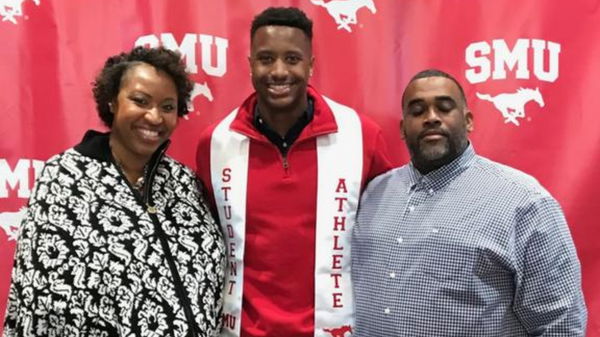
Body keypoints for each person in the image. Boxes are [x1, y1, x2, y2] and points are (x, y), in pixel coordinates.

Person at [196, 7, 392, 337]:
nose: (278, 71)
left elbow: (385, 237)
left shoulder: (361, 135)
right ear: (249, 65)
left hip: (338, 329)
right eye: (266, 58)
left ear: (311, 65)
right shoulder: (215, 143)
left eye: (292, 58)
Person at [4, 46, 226, 337]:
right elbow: (37, 297)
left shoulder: (185, 183)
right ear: (112, 101)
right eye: (140, 101)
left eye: (168, 107)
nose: (154, 117)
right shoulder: (66, 176)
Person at [352, 69, 587, 336]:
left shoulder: (524, 203)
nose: (431, 118)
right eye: (417, 111)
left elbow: (560, 325)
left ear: (468, 121)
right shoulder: (374, 194)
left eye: (444, 107)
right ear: (403, 129)